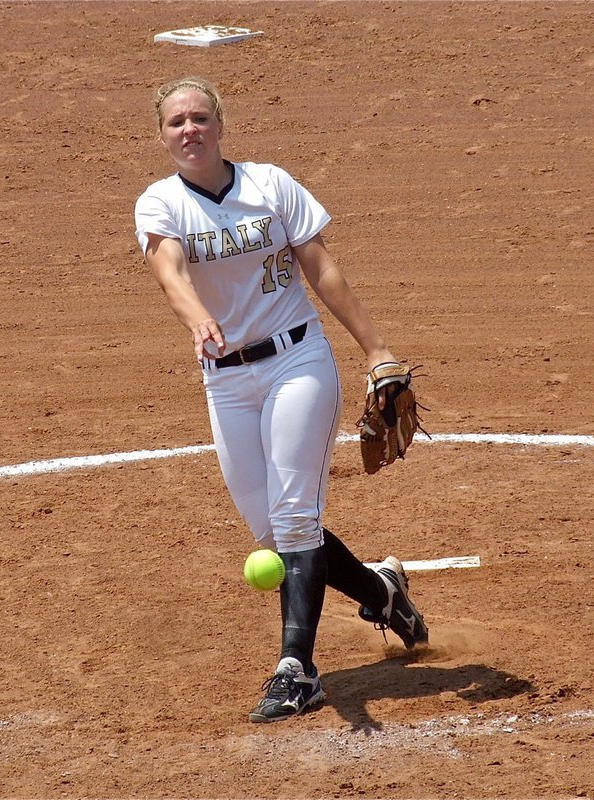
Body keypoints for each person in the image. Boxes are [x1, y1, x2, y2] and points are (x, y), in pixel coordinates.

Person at [134, 76, 428, 724]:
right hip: (226, 381)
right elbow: (169, 271)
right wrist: (196, 319)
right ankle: (383, 592)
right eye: (177, 122)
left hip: (298, 362)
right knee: (276, 532)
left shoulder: (270, 185)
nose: (190, 129)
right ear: (162, 136)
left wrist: (375, 349)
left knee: (295, 519)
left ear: (220, 125)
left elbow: (321, 267)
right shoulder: (160, 203)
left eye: (200, 118)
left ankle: (297, 671)